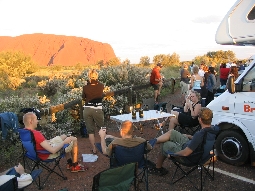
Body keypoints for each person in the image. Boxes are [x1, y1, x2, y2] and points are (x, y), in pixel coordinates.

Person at [149, 107, 216, 176]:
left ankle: (158, 168)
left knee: (165, 144)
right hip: (196, 150)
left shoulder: (199, 135)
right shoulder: (213, 130)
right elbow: (201, 141)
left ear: (200, 119)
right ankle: (152, 142)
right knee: (172, 132)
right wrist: (190, 136)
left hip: (189, 158)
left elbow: (185, 153)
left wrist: (173, 155)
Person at [82, 75, 104, 154]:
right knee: (102, 129)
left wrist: (87, 84)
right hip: (97, 109)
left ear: (89, 77)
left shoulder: (85, 87)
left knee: (90, 131)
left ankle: (94, 149)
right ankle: (104, 146)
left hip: (87, 109)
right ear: (96, 77)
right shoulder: (101, 86)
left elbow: (83, 97)